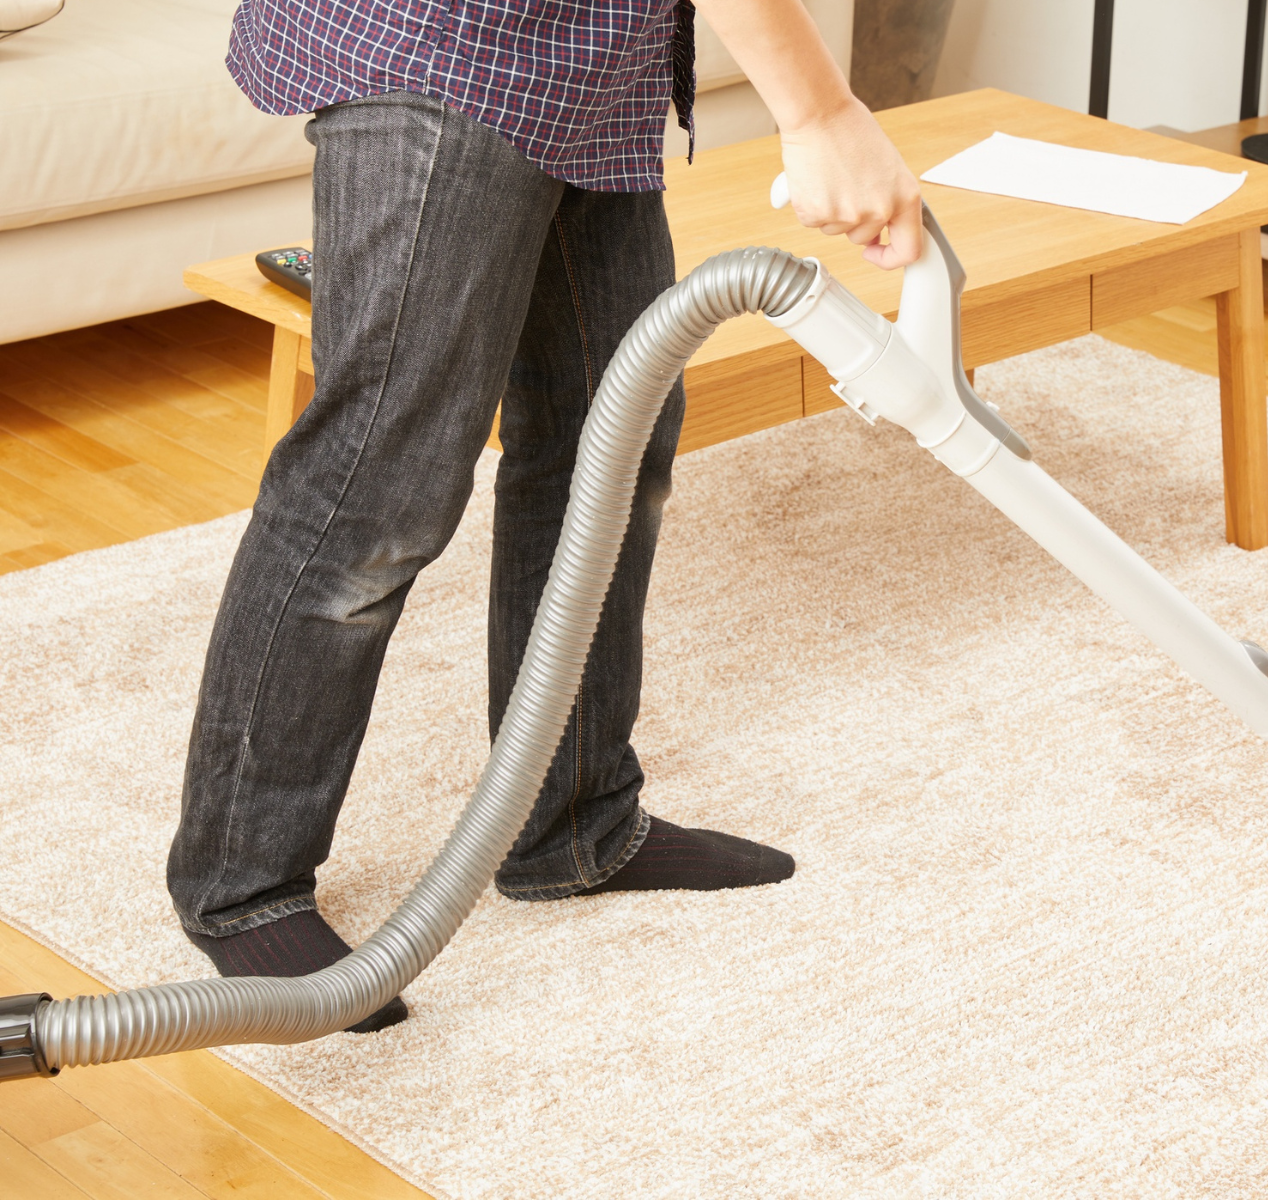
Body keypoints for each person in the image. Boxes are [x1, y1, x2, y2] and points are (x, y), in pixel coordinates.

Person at [167, 0, 922, 1031]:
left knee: (609, 443)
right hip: (444, 46)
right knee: (378, 485)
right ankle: (238, 884)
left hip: (588, 66)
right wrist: (824, 113)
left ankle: (571, 820)